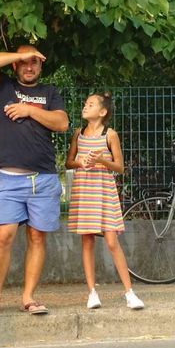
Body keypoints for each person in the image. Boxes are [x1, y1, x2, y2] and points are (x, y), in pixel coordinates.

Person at [0, 45, 69, 316]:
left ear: (41, 66)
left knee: (37, 237)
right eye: (24, 63)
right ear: (15, 65)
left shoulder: (49, 93)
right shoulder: (3, 87)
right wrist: (20, 55)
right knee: (4, 236)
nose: (29, 67)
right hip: (10, 180)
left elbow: (61, 123)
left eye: (35, 63)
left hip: (44, 179)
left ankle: (29, 298)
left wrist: (29, 110)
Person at [65, 92, 144, 310]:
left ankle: (129, 292)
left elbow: (120, 167)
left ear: (102, 111)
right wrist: (80, 162)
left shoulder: (110, 135)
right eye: (85, 103)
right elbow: (68, 162)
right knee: (87, 241)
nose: (85, 106)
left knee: (111, 240)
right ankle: (92, 292)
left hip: (104, 190)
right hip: (84, 190)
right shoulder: (78, 133)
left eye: (90, 104)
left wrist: (101, 159)